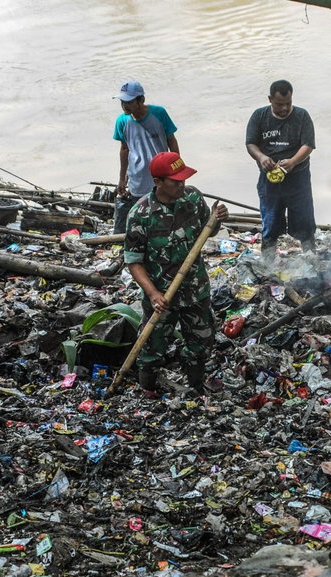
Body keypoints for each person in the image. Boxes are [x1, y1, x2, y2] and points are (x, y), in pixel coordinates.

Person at [124, 152, 228, 396]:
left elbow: (208, 232)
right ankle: (147, 390)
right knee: (152, 346)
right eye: (175, 181)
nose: (182, 185)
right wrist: (152, 293)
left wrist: (217, 220)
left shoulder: (192, 197)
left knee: (201, 342)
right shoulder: (141, 215)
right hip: (162, 296)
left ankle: (195, 387)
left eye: (183, 179)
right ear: (158, 182)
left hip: (195, 289)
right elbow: (134, 261)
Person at [245, 79, 316, 259]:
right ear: (270, 99)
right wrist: (261, 157)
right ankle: (267, 265)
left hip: (298, 179)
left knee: (305, 222)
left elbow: (308, 145)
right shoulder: (259, 116)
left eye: (288, 103)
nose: (284, 108)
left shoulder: (302, 116)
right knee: (270, 222)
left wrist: (292, 162)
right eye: (279, 105)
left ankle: (311, 259)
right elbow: (251, 143)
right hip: (269, 180)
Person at [112, 80, 179, 235]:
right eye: (122, 102)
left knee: (164, 214)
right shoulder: (122, 121)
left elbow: (172, 142)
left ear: (141, 100)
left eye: (129, 102)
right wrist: (122, 179)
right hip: (137, 177)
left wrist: (177, 171)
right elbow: (124, 149)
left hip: (161, 175)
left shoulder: (159, 113)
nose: (124, 106)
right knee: (141, 217)